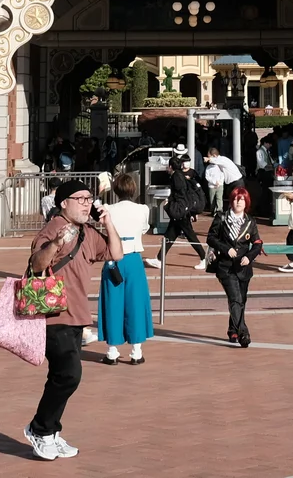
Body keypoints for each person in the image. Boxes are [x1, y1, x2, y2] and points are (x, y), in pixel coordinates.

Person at [23, 178, 122, 461]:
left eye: (89, 199)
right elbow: (37, 264)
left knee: (61, 376)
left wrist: (108, 223)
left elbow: (116, 253)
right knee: (69, 374)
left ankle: (50, 432)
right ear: (63, 203)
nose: (86, 204)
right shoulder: (52, 228)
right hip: (54, 315)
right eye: (80, 199)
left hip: (77, 314)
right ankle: (39, 428)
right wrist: (55, 244)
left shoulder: (89, 232)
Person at [99, 169, 153, 364]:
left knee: (112, 302)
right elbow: (145, 228)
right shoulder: (143, 209)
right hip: (134, 259)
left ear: (116, 189)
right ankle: (136, 351)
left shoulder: (108, 208)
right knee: (136, 303)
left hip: (113, 259)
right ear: (133, 189)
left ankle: (112, 351)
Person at [207, 184, 263, 346]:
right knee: (235, 298)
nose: (239, 203)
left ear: (246, 203)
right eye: (236, 200)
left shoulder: (250, 222)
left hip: (243, 268)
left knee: (241, 301)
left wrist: (249, 256)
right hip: (225, 267)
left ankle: (233, 330)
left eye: (242, 200)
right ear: (231, 201)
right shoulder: (221, 218)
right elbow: (211, 238)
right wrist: (226, 249)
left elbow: (257, 243)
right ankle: (243, 333)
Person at [161, 149, 211, 269]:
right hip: (182, 210)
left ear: (171, 166)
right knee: (170, 236)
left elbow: (180, 194)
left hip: (181, 211)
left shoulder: (177, 177)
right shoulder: (181, 175)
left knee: (190, 235)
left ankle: (204, 257)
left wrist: (169, 204)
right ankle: (159, 258)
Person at [202, 144, 242, 211]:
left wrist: (208, 159)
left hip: (236, 182)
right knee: (232, 200)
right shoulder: (221, 160)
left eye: (210, 156)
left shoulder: (222, 159)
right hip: (233, 182)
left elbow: (214, 161)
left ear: (214, 155)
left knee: (236, 200)